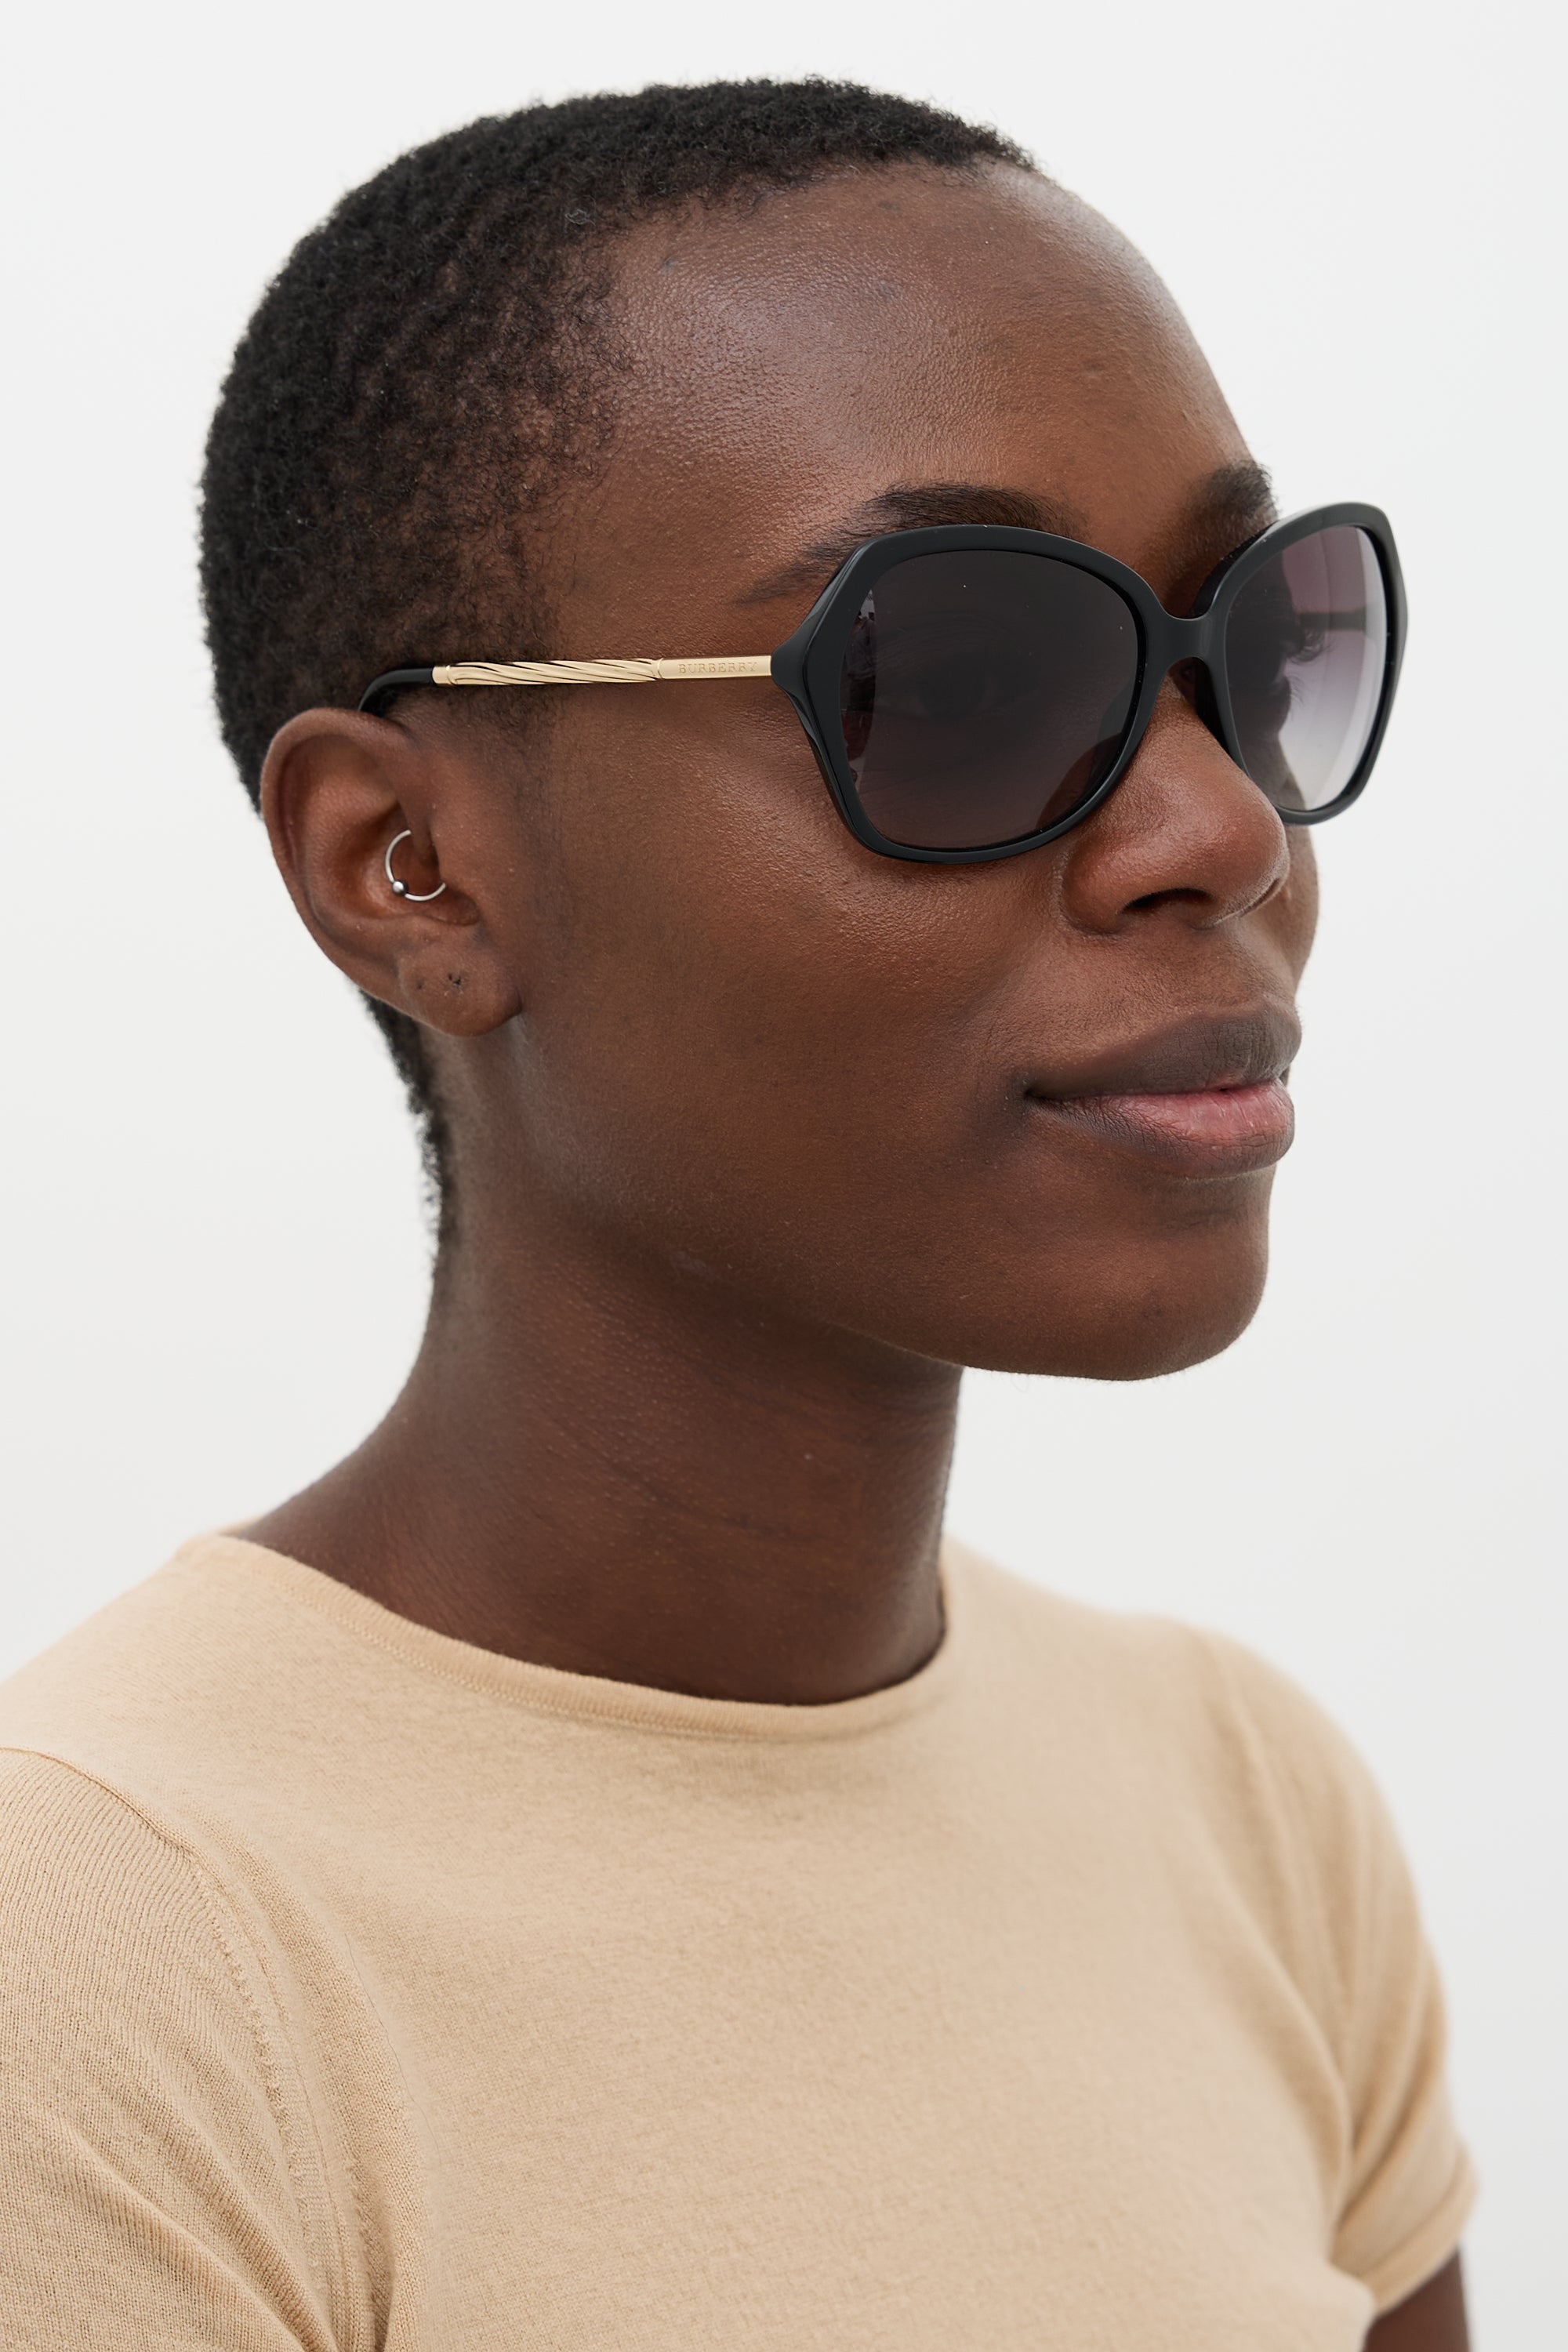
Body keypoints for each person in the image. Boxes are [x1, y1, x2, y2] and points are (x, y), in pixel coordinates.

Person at [0, 79, 1473, 2351]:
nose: (1222, 830)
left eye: (1250, 650)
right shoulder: (109, 1961)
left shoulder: (1244, 1808)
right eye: (956, 681)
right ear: (410, 866)